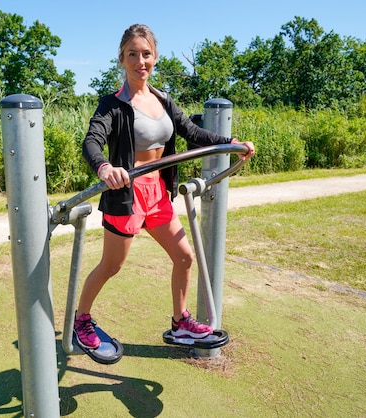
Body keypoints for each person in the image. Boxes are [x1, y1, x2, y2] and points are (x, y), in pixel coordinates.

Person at [74, 23, 255, 350]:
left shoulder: (163, 100)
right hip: (126, 196)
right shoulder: (111, 105)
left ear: (155, 58)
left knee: (185, 257)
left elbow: (192, 133)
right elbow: (92, 141)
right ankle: (81, 320)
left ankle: (179, 323)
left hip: (157, 193)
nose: (140, 61)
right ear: (122, 59)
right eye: (132, 54)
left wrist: (230, 142)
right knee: (112, 265)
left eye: (146, 54)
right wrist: (104, 167)